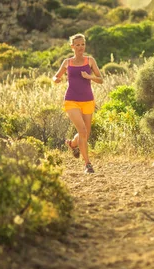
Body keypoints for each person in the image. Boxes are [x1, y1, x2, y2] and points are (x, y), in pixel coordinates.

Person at [52, 33, 103, 174]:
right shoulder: (67, 62)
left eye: (83, 44)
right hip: (71, 100)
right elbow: (56, 75)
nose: (81, 47)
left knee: (85, 134)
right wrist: (55, 79)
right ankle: (88, 164)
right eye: (77, 45)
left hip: (88, 100)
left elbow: (101, 79)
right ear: (72, 47)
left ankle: (72, 144)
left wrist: (89, 77)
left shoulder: (90, 60)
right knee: (82, 131)